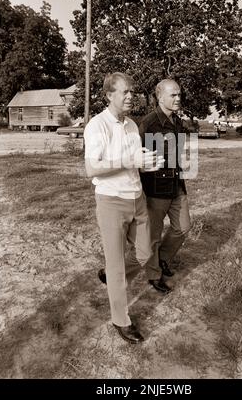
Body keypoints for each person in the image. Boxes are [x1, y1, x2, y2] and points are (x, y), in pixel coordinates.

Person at [84, 72, 164, 344]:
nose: (131, 96)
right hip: (110, 201)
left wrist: (146, 164)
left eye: (132, 91)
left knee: (144, 252)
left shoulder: (132, 125)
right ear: (109, 95)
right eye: (125, 92)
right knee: (117, 265)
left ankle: (109, 276)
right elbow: (91, 168)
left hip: (136, 198)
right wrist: (129, 159)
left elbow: (134, 162)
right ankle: (121, 320)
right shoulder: (97, 125)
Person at [139, 79, 192, 293]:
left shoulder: (178, 122)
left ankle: (162, 259)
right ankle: (153, 275)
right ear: (160, 97)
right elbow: (138, 159)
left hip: (176, 185)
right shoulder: (148, 123)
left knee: (183, 227)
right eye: (173, 95)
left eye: (179, 95)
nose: (178, 98)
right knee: (153, 234)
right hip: (155, 188)